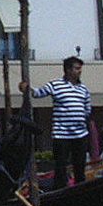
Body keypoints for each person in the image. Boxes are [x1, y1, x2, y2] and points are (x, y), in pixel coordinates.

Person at [21, 56, 93, 189]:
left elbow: (87, 110)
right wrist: (27, 89)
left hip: (80, 134)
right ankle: (60, 189)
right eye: (77, 69)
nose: (79, 71)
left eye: (80, 69)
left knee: (80, 166)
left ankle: (80, 189)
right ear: (68, 70)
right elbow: (37, 93)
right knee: (60, 166)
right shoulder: (56, 84)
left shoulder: (83, 89)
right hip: (61, 134)